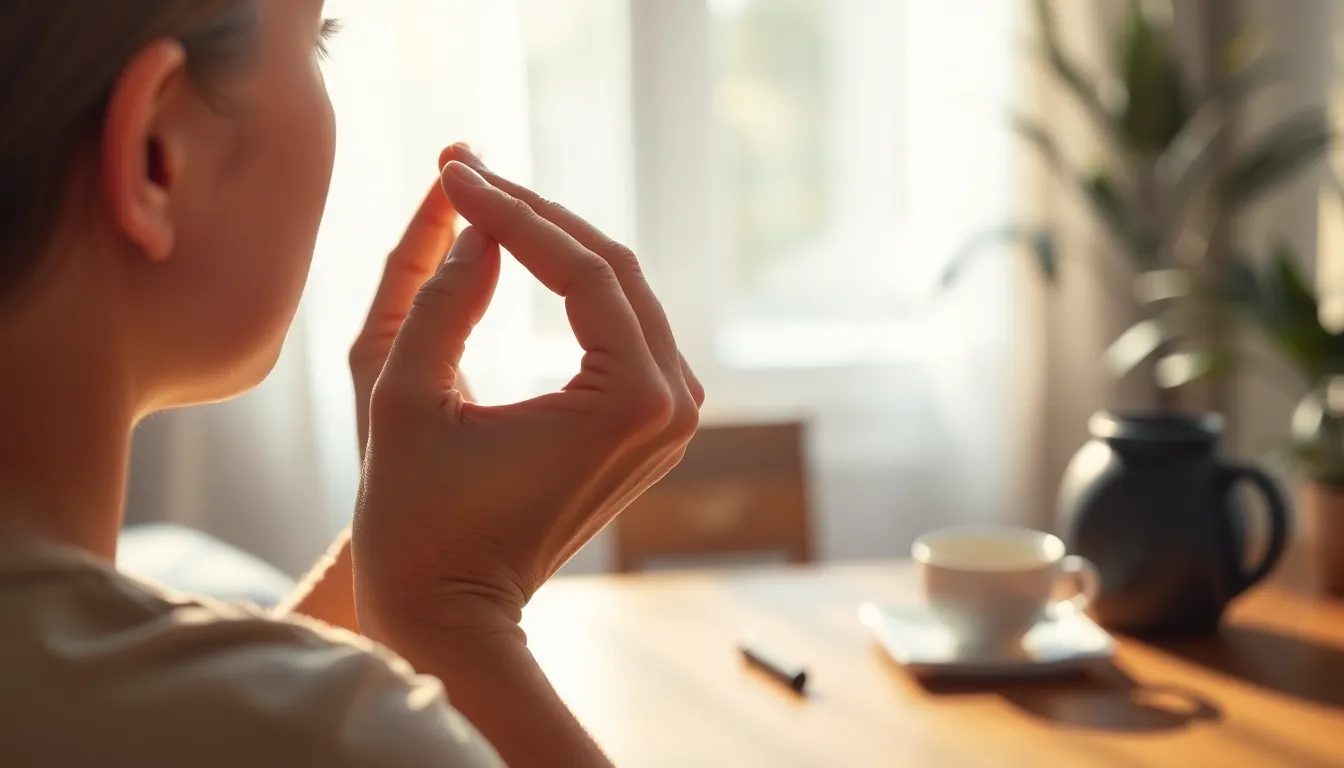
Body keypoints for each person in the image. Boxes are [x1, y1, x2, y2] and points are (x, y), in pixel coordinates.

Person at [0, 0, 703, 765]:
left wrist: (389, 563)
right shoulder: (338, 736)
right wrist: (456, 617)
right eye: (317, 42)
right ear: (159, 155)